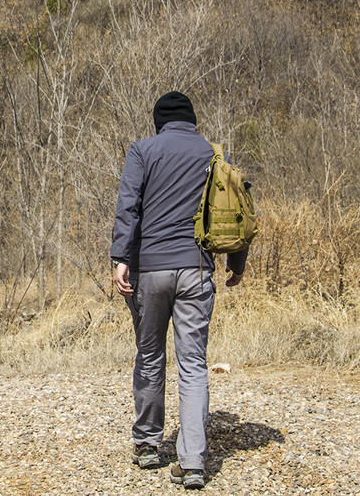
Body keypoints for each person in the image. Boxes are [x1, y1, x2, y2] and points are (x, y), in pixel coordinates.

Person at [111, 91, 247, 490]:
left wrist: (121, 256)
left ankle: (149, 445)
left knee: (150, 355)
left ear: (159, 122)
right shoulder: (212, 154)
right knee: (192, 365)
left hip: (150, 270)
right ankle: (192, 463)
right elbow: (234, 206)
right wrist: (236, 266)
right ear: (192, 119)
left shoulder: (142, 150)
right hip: (198, 269)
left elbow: (128, 206)